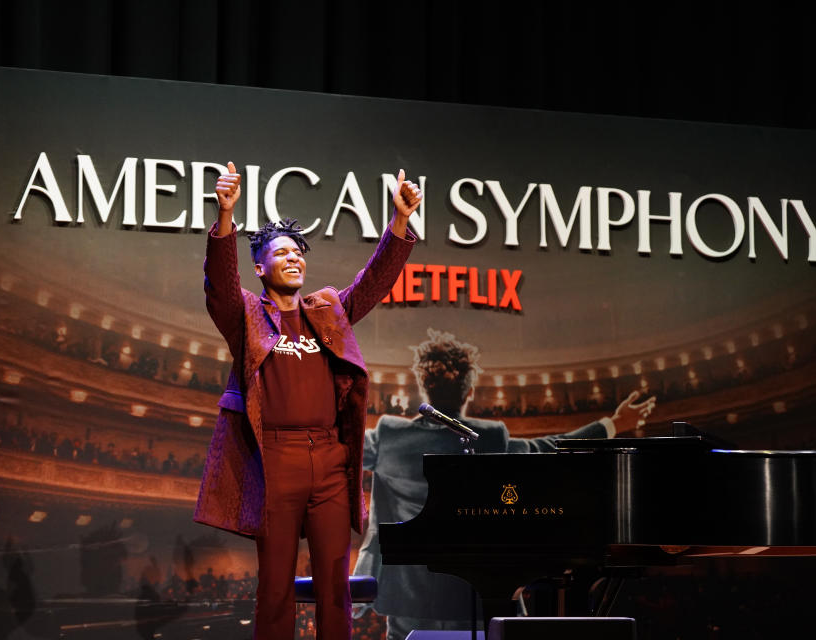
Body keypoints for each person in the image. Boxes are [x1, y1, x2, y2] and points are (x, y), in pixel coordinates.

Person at [193, 162, 421, 640]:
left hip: (331, 462)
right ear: (260, 267)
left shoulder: (328, 312)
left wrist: (398, 223)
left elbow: (373, 281)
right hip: (274, 461)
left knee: (334, 587)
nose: (294, 258)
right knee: (275, 587)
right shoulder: (247, 316)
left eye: (299, 252)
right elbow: (219, 283)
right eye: (281, 253)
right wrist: (226, 217)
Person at [353, 328, 657, 640]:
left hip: (409, 597)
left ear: (423, 387)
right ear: (469, 391)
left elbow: (340, 449)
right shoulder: (491, 437)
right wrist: (614, 424)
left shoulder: (389, 435)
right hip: (474, 591)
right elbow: (550, 447)